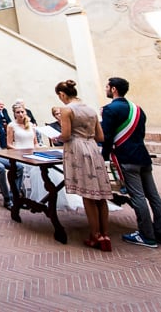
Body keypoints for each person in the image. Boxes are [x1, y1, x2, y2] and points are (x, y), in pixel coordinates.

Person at [101, 77, 161, 248]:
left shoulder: (110, 110)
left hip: (127, 158)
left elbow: (107, 136)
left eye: (107, 87)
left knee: (138, 196)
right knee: (154, 197)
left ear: (114, 89)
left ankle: (147, 236)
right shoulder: (138, 110)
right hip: (143, 156)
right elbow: (141, 133)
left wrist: (104, 156)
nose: (106, 89)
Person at [56, 79, 114, 251]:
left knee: (88, 195)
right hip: (93, 149)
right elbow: (101, 137)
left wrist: (57, 137)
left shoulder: (67, 110)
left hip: (78, 149)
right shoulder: (90, 109)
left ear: (62, 94)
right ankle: (105, 234)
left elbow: (66, 135)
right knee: (101, 195)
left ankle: (95, 235)